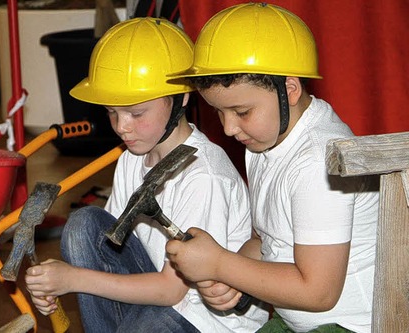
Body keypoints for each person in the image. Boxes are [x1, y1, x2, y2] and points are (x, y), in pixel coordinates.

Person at [24, 17, 268, 332]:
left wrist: (72, 279)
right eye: (112, 112)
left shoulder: (204, 175)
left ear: (181, 99)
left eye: (136, 113)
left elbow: (172, 290)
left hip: (207, 318)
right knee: (84, 224)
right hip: (159, 291)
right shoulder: (132, 158)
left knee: (145, 325)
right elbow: (105, 249)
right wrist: (53, 284)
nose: (122, 126)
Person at [166, 3, 379, 332]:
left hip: (349, 327)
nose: (228, 129)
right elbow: (266, 241)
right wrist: (234, 273)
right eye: (219, 112)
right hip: (295, 322)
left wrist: (222, 265)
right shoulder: (264, 143)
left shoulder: (317, 163)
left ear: (289, 90)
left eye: (242, 111)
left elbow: (318, 292)